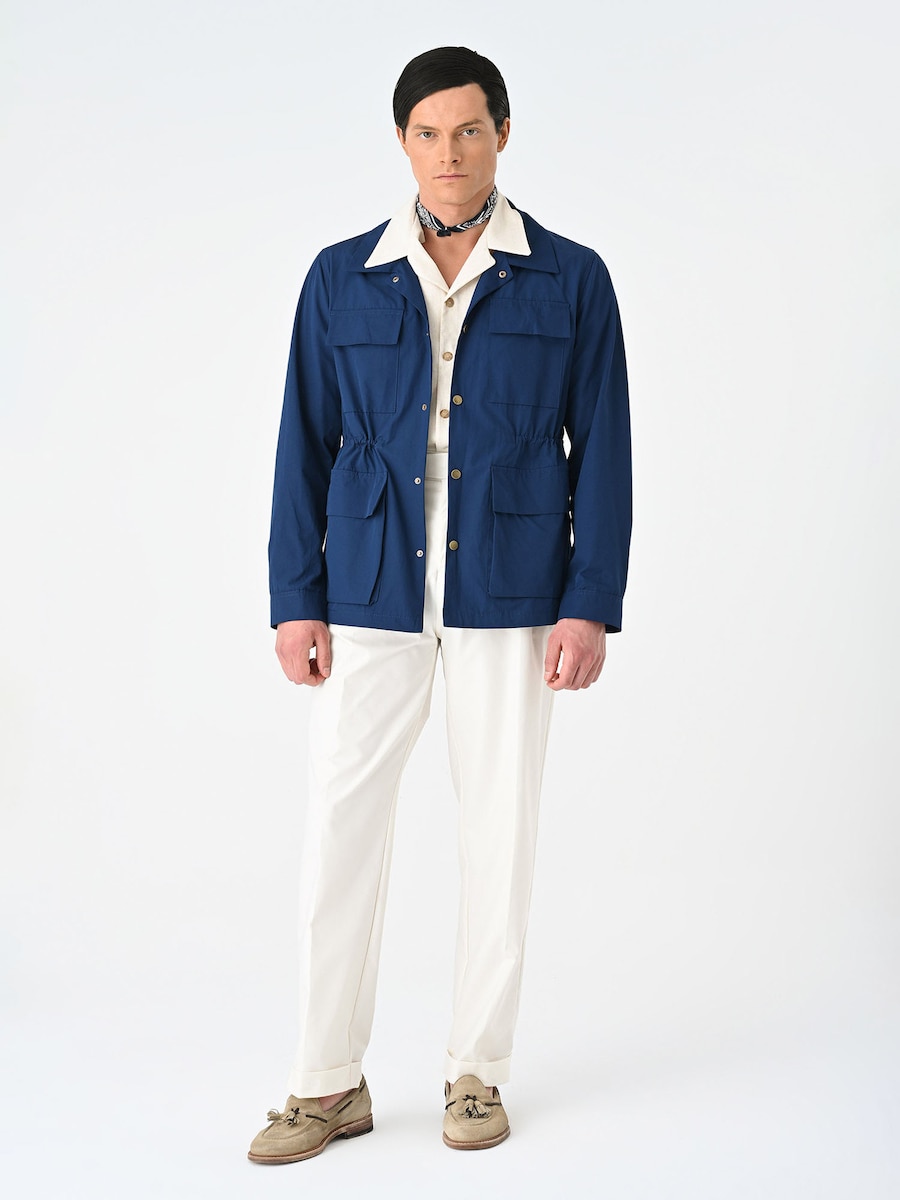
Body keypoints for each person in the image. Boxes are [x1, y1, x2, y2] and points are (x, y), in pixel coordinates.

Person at [248, 45, 632, 1163]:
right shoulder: (341, 276)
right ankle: (326, 1082)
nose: (449, 153)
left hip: (512, 588)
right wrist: (294, 596)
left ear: (502, 134)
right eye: (427, 133)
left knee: (500, 828)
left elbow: (604, 448)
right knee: (339, 828)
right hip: (369, 586)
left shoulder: (570, 278)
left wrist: (590, 601)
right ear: (402, 142)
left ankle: (477, 1071)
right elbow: (301, 442)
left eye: (468, 130)